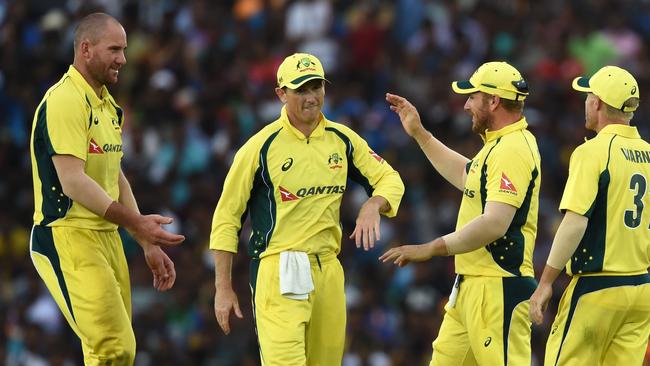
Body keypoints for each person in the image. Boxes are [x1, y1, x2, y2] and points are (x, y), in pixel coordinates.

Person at [210, 52, 404, 365]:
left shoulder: (342, 139)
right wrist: (222, 287)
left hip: (328, 267)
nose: (311, 97)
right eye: (301, 89)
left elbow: (390, 179)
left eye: (316, 87)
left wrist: (373, 203)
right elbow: (226, 218)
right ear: (281, 94)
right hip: (279, 266)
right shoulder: (260, 147)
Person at [29, 13, 185, 365]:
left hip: (107, 238)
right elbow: (72, 181)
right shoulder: (65, 99)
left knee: (108, 354)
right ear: (86, 49)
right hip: (68, 235)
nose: (123, 59)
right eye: (114, 49)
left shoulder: (108, 107)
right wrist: (135, 222)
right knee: (116, 347)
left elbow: (115, 176)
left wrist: (145, 239)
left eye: (124, 49)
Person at [382, 61, 541, 365]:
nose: (466, 105)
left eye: (473, 97)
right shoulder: (499, 146)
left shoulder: (512, 149)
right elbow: (468, 176)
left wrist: (431, 248)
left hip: (498, 287)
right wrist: (420, 134)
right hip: (471, 286)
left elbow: (495, 223)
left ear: (494, 101)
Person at [529, 65, 650, 365]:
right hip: (641, 290)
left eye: (587, 96)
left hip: (597, 288)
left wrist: (545, 282)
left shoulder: (592, 152)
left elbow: (575, 221)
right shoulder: (648, 152)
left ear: (596, 102)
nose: (585, 102)